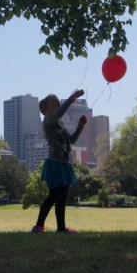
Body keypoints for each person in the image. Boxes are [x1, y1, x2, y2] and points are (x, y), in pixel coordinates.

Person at [31, 89, 87, 233]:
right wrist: (71, 98)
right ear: (45, 108)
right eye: (53, 101)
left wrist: (80, 127)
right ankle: (38, 226)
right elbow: (58, 113)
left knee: (62, 198)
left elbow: (71, 141)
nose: (57, 102)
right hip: (55, 163)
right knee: (53, 196)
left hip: (64, 164)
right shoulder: (48, 120)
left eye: (57, 101)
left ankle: (61, 228)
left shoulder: (60, 125)